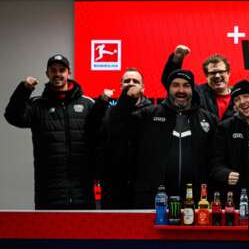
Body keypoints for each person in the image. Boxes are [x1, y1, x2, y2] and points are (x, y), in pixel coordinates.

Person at [4, 54, 100, 209]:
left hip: (82, 192)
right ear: (47, 74)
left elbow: (103, 135)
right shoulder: (36, 105)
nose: (58, 74)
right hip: (48, 192)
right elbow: (12, 117)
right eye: (53, 70)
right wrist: (23, 90)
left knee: (83, 233)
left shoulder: (88, 104)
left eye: (62, 70)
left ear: (69, 72)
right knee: (49, 233)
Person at [111, 69, 218, 207]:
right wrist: (126, 100)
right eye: (175, 85)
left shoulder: (209, 119)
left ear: (193, 89)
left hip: (197, 200)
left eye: (186, 85)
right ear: (168, 89)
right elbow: (117, 129)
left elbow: (217, 158)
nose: (181, 90)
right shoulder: (148, 115)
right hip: (154, 199)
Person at [94, 68, 153, 209]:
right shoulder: (110, 112)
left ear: (143, 88)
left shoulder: (153, 112)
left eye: (135, 81)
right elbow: (101, 137)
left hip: (143, 185)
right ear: (121, 86)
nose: (131, 84)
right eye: (127, 81)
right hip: (114, 185)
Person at [161, 45, 234, 120]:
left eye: (221, 72)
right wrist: (176, 60)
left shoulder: (239, 95)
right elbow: (170, 82)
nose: (217, 76)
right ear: (206, 75)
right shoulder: (197, 92)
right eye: (213, 73)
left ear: (228, 73)